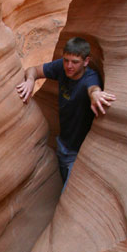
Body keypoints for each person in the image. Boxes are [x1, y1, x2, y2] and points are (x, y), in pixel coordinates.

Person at [16, 37, 116, 184]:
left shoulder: (90, 78)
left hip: (78, 154)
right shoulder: (62, 67)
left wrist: (95, 95)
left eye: (75, 62)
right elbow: (33, 70)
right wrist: (30, 80)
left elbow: (93, 88)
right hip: (62, 144)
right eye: (66, 60)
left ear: (86, 61)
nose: (69, 66)